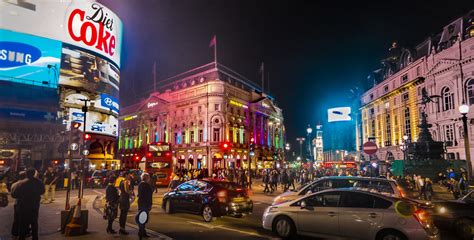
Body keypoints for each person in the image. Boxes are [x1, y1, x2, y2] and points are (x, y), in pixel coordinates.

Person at [11, 168, 45, 240]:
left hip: (23, 206)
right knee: (34, 222)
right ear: (34, 174)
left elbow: (14, 194)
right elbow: (43, 191)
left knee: (22, 223)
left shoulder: (22, 183)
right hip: (35, 205)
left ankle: (22, 237)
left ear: (26, 174)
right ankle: (35, 237)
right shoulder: (39, 182)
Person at [11, 171, 27, 237]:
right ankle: (24, 232)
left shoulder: (14, 184)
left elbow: (13, 195)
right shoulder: (26, 184)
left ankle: (15, 233)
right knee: (25, 219)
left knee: (16, 219)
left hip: (17, 203)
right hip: (26, 203)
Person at [137, 173, 153, 238]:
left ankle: (141, 232)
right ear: (147, 178)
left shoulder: (140, 184)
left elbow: (140, 194)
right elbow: (149, 196)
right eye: (148, 177)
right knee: (143, 219)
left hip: (140, 203)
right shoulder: (147, 185)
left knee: (141, 218)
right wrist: (150, 204)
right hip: (145, 204)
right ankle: (141, 233)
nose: (149, 179)